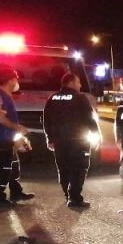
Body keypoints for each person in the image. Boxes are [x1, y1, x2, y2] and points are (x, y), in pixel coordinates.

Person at [43, 73, 99, 208]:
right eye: (78, 82)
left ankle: (67, 194)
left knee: (63, 168)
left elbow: (46, 120)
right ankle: (75, 198)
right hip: (78, 140)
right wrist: (96, 134)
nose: (80, 85)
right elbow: (89, 118)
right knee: (79, 168)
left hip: (59, 141)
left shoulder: (53, 98)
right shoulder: (80, 98)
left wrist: (50, 138)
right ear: (71, 82)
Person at [0, 68, 35, 210]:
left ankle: (16, 192)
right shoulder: (0, 96)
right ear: (11, 80)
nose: (17, 83)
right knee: (3, 168)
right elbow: (1, 119)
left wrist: (18, 138)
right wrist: (18, 127)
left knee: (13, 165)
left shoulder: (4, 96)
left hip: (6, 137)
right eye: (16, 79)